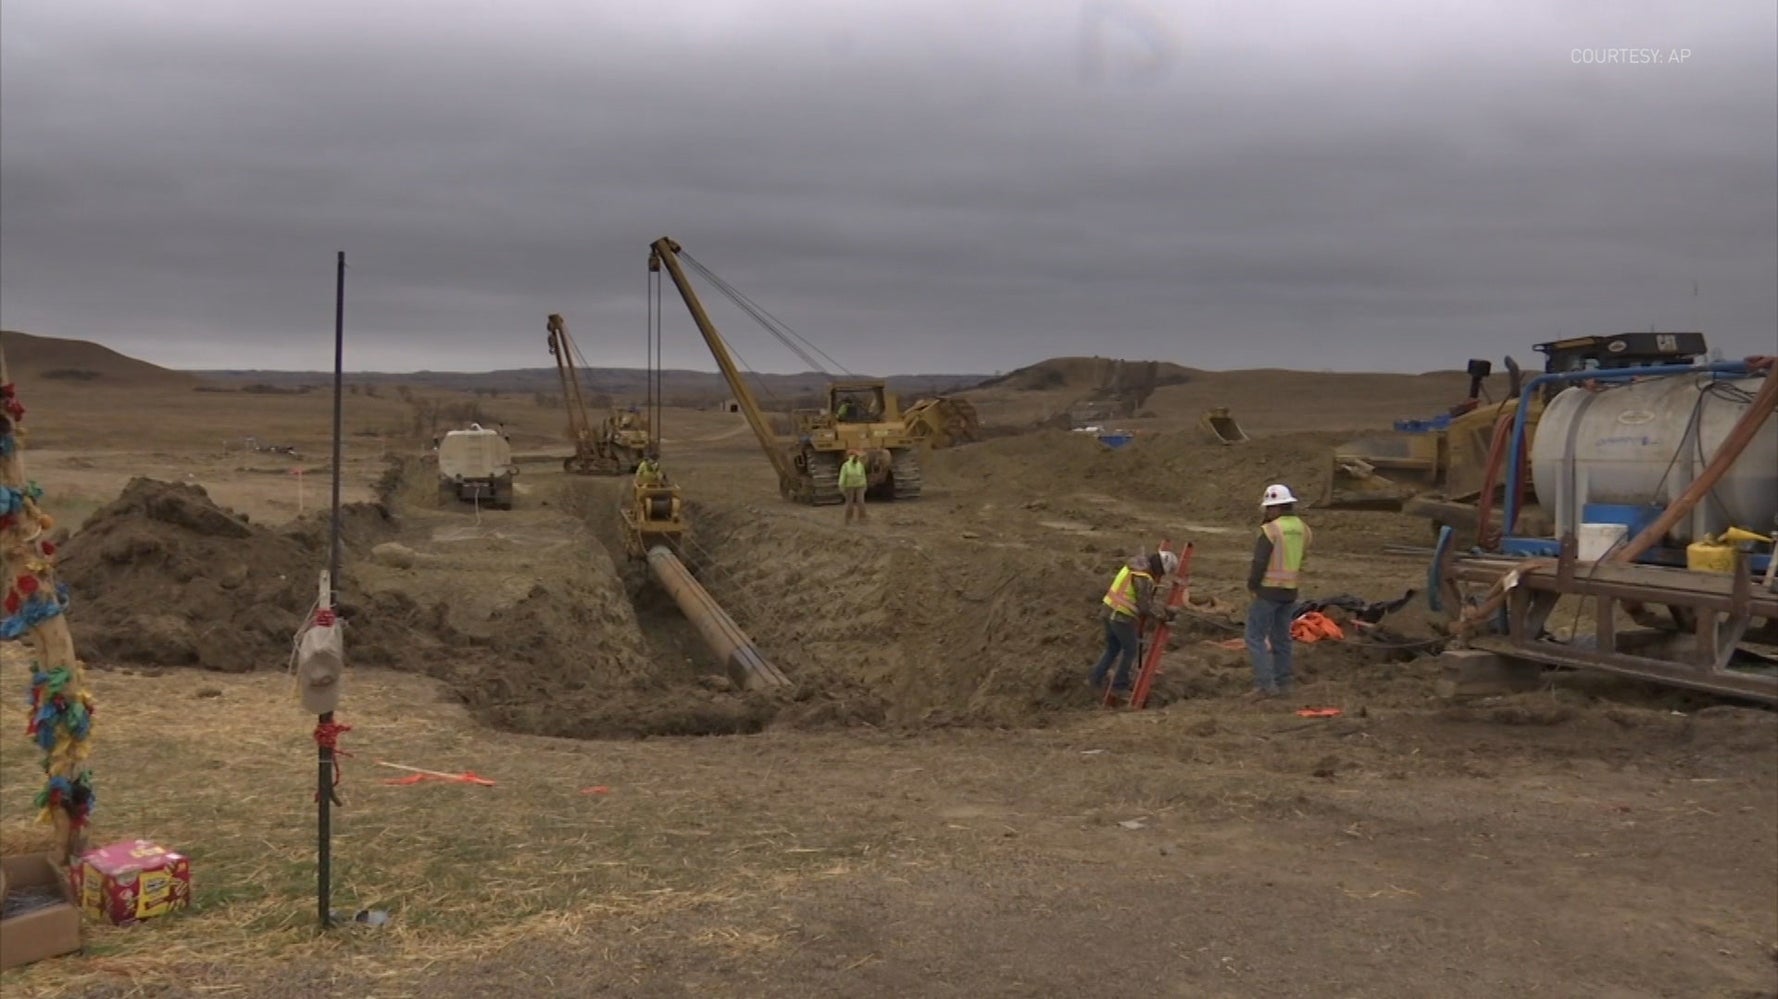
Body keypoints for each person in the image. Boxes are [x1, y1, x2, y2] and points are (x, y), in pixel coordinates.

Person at [1245, 483, 1312, 699]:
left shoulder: (1271, 530)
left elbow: (1259, 561)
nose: (1267, 512)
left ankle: (1266, 686)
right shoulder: (1304, 529)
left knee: (1255, 637)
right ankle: (1284, 683)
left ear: (1276, 508)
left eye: (1269, 508)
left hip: (1268, 591)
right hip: (1290, 592)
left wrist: (1252, 585)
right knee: (1282, 638)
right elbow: (1302, 558)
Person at [1088, 551, 1165, 700]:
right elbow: (1145, 606)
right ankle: (1119, 686)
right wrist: (1163, 615)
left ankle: (1095, 679)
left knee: (1113, 648)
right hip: (1120, 616)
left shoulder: (1132, 567)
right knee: (1130, 649)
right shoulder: (1143, 577)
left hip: (1107, 609)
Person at [839, 449, 868, 523]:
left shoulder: (859, 465)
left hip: (858, 485)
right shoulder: (847, 465)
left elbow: (862, 475)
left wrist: (864, 484)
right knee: (851, 502)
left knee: (859, 502)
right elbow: (843, 476)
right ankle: (850, 519)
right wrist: (841, 485)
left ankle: (860, 518)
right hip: (850, 486)